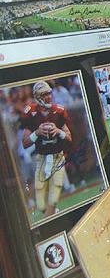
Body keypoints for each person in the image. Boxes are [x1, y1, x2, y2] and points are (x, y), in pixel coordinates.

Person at [20, 81, 73, 219]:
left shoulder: (59, 110)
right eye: (44, 94)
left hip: (57, 156)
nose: (48, 97)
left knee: (53, 195)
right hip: (41, 157)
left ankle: (54, 214)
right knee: (41, 204)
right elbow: (25, 143)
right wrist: (37, 133)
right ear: (37, 97)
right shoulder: (30, 112)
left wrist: (58, 131)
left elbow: (69, 138)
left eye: (49, 93)